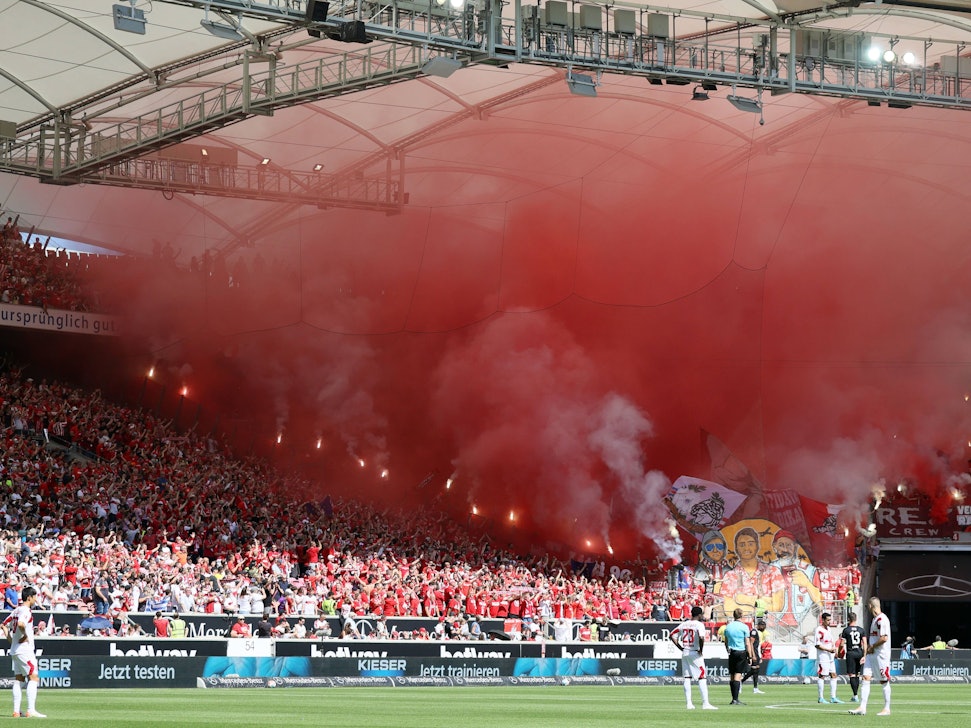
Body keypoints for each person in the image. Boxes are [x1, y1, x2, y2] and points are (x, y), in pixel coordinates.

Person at [716, 528, 785, 618]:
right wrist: (765, 601)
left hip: (769, 628)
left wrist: (743, 600)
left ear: (757, 546)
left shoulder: (773, 572)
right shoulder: (730, 576)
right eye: (742, 545)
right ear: (736, 548)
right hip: (741, 627)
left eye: (751, 544)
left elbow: (777, 606)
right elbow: (729, 609)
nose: (746, 548)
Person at [2, 585, 45, 718]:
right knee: (34, 677)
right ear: (30, 597)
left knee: (19, 679)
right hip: (25, 650)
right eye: (35, 596)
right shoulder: (26, 611)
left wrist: (11, 641)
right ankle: (30, 710)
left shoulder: (16, 610)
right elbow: (21, 624)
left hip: (15, 650)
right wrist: (25, 636)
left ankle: (16, 711)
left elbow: (4, 625)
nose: (36, 599)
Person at [669, 605, 717, 710]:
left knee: (687, 677)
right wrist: (701, 649)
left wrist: (680, 647)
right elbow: (701, 637)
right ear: (699, 614)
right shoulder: (699, 625)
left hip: (685, 651)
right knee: (702, 677)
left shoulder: (684, 624)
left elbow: (671, 635)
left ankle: (689, 704)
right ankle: (705, 703)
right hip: (695, 652)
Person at [850, 596, 891, 717]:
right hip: (871, 654)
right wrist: (867, 652)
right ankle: (862, 707)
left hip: (881, 655)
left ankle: (887, 708)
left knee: (883, 681)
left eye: (868, 605)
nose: (867, 608)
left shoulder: (882, 619)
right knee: (865, 678)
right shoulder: (875, 619)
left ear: (871, 606)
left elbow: (884, 638)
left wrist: (872, 646)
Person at [723, 608, 754, 706]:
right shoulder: (744, 627)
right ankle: (735, 699)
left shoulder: (728, 627)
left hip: (732, 652)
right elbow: (747, 643)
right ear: (742, 615)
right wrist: (750, 656)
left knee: (732, 675)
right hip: (741, 652)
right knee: (738, 675)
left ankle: (733, 698)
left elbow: (726, 641)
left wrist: (727, 649)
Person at [814, 612, 843, 703]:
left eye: (830, 620)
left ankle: (833, 697)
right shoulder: (818, 630)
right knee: (822, 675)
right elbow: (817, 645)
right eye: (828, 620)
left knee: (833, 675)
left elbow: (830, 641)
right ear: (822, 620)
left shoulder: (829, 629)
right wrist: (828, 650)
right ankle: (821, 697)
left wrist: (834, 649)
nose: (829, 622)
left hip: (830, 656)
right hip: (823, 657)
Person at [840, 612, 866, 702]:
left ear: (848, 619)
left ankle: (855, 695)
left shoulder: (846, 630)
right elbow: (865, 644)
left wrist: (840, 651)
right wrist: (864, 655)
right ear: (856, 619)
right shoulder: (861, 630)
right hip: (859, 653)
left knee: (852, 675)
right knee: (857, 674)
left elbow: (842, 643)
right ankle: (856, 695)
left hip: (851, 653)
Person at [741, 618, 767, 694]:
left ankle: (755, 688)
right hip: (753, 654)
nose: (764, 628)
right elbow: (751, 643)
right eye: (763, 626)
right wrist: (753, 655)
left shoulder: (756, 632)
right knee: (754, 670)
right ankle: (741, 681)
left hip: (756, 653)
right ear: (759, 625)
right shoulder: (754, 632)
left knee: (756, 670)